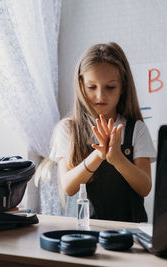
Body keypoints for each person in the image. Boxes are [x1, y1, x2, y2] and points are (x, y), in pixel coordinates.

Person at [48, 42, 156, 222]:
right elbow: (68, 186)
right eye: (92, 87)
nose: (100, 96)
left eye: (110, 87)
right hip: (82, 235)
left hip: (129, 235)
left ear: (123, 87)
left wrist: (118, 159)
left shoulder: (136, 129)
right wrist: (99, 155)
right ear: (81, 85)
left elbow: (145, 187)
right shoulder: (67, 129)